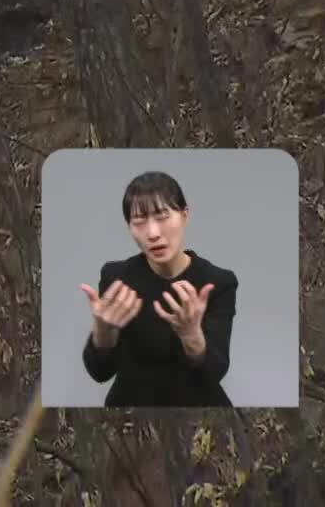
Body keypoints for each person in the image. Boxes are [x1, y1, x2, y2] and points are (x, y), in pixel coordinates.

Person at [79, 171, 239, 406]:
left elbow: (215, 373)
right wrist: (104, 333)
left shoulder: (217, 281)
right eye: (140, 221)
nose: (153, 233)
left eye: (162, 216)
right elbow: (99, 373)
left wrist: (192, 336)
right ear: (129, 227)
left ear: (185, 216)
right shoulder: (117, 277)